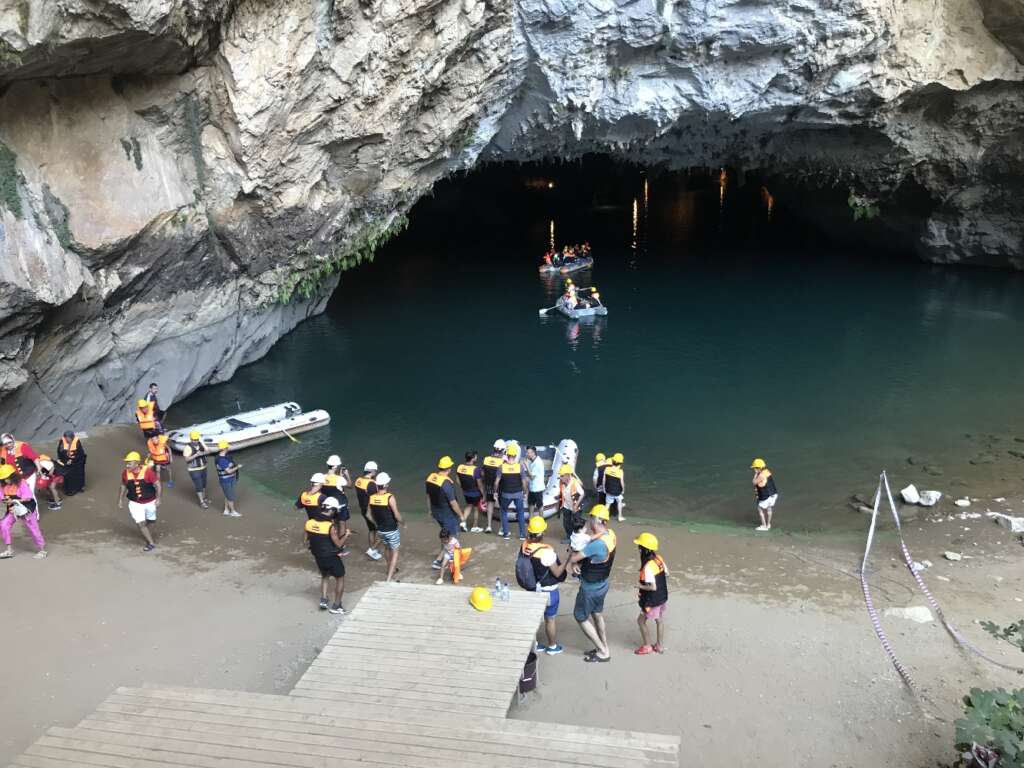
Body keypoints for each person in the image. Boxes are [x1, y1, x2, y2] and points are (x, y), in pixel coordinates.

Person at [569, 504, 616, 663]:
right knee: (597, 614)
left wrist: (574, 560)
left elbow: (575, 558)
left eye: (590, 518)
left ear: (595, 520)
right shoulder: (610, 535)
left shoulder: (596, 544)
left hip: (591, 587)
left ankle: (603, 652)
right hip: (603, 584)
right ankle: (603, 646)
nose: (588, 521)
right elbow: (591, 558)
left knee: (580, 616)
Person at [520, 516, 567, 654]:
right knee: (550, 619)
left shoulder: (524, 547)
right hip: (548, 591)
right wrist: (568, 560)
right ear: (542, 533)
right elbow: (558, 573)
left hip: (531, 588)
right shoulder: (547, 552)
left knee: (533, 618)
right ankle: (552, 646)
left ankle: (534, 644)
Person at [305, 496, 347, 614]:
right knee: (340, 578)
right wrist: (346, 535)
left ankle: (323, 600)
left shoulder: (309, 522)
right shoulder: (330, 526)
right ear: (332, 510)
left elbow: (305, 540)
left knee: (325, 576)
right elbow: (338, 544)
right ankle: (337, 605)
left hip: (318, 556)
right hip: (331, 557)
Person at [0, 465, 46, 559]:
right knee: (4, 525)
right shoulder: (2, 485)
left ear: (12, 476)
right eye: (3, 479)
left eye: (7, 478)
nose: (5, 481)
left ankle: (42, 550)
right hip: (13, 509)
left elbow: (28, 497)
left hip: (26, 509)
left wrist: (14, 501)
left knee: (33, 529)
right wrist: (5, 500)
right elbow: (2, 497)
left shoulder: (21, 483)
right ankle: (9, 550)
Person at [117, 451, 160, 551]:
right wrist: (120, 499)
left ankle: (146, 532)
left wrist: (158, 499)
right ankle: (151, 542)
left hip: (150, 502)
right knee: (141, 523)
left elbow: (158, 484)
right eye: (127, 463)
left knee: (151, 521)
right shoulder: (125, 473)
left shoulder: (148, 472)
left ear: (137, 463)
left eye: (129, 463)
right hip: (135, 503)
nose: (127, 465)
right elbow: (123, 486)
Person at [634, 532, 668, 655]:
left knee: (641, 621)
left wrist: (640, 586)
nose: (638, 549)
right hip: (662, 597)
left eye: (640, 547)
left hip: (652, 601)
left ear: (644, 550)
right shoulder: (659, 559)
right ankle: (659, 646)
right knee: (659, 620)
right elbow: (666, 574)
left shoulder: (648, 566)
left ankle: (647, 646)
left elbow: (652, 587)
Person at [368, 472, 402, 582]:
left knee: (387, 548)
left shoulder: (372, 497)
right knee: (395, 551)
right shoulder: (389, 497)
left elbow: (368, 514)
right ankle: (388, 578)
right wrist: (403, 522)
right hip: (391, 529)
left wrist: (377, 524)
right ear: (386, 485)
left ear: (377, 485)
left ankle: (389, 569)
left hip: (381, 530)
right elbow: (396, 515)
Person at [426, 456, 462, 559]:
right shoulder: (446, 483)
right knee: (452, 538)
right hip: (447, 515)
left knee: (445, 534)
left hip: (436, 513)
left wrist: (429, 510)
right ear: (449, 468)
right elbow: (453, 503)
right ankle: (441, 560)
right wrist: (461, 515)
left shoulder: (431, 478)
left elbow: (428, 496)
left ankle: (441, 558)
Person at [495, 443, 529, 541]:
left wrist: (495, 492)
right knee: (520, 513)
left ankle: (506, 534)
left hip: (505, 494)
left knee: (504, 512)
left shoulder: (501, 467)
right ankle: (522, 535)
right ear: (515, 455)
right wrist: (525, 493)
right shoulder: (520, 467)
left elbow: (496, 482)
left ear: (507, 454)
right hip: (518, 493)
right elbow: (524, 482)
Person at [353, 461, 383, 561]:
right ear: (372, 471)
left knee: (372, 530)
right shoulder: (371, 484)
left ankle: (372, 550)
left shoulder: (358, 480)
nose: (376, 473)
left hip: (363, 509)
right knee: (382, 531)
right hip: (371, 511)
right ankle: (372, 550)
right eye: (376, 471)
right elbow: (375, 499)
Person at [321, 457, 351, 556]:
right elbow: (350, 485)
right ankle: (340, 547)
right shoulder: (339, 479)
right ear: (334, 466)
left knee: (333, 524)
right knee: (342, 524)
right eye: (337, 465)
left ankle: (334, 542)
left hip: (329, 505)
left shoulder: (322, 477)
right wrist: (346, 475)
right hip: (341, 505)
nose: (338, 466)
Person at [456, 451, 486, 532]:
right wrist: (483, 495)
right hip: (475, 492)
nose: (476, 458)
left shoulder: (460, 467)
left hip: (466, 492)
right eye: (475, 457)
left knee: (469, 505)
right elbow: (479, 484)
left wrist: (462, 487)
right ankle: (474, 527)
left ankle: (462, 522)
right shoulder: (476, 470)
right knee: (476, 508)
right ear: (472, 459)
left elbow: (457, 479)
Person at [181, 431, 210, 508]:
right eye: (194, 440)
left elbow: (208, 451)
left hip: (203, 467)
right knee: (199, 485)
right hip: (194, 470)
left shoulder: (201, 444)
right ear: (191, 439)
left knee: (204, 484)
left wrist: (202, 453)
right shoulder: (187, 448)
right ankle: (201, 502)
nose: (196, 441)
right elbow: (187, 459)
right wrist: (196, 455)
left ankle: (204, 498)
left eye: (197, 439)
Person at [481, 440, 505, 534]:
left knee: (490, 505)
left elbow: (482, 473)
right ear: (503, 450)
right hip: (500, 488)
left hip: (488, 487)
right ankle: (502, 528)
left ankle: (489, 526)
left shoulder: (486, 459)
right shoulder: (502, 461)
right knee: (502, 507)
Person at [215, 441, 242, 517]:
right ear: (224, 448)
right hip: (226, 480)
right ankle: (233, 512)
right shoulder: (221, 460)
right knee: (230, 497)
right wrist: (237, 467)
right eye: (227, 447)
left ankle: (226, 510)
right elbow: (229, 471)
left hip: (230, 479)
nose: (228, 448)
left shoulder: (223, 457)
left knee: (227, 495)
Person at [557, 464, 584, 541]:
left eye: (562, 476)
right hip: (566, 505)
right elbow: (563, 491)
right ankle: (569, 536)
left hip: (575, 507)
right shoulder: (562, 482)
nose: (560, 477)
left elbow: (582, 494)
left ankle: (577, 538)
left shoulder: (574, 483)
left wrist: (576, 506)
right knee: (566, 522)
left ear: (567, 475)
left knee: (576, 522)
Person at [751, 457, 778, 531]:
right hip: (773, 494)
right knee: (769, 509)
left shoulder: (760, 475)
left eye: (755, 468)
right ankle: (768, 524)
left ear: (759, 468)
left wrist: (756, 474)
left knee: (759, 509)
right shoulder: (767, 472)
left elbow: (753, 482)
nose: (754, 469)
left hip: (766, 496)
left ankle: (764, 526)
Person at [56, 431, 86, 495]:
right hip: (66, 461)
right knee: (68, 475)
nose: (67, 440)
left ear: (72, 438)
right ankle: (69, 490)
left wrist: (72, 460)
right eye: (66, 438)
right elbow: (59, 451)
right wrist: (60, 459)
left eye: (68, 438)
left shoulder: (77, 442)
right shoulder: (62, 441)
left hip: (77, 462)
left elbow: (80, 453)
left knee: (79, 475)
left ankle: (80, 487)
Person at [604, 452, 626, 522]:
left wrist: (604, 488)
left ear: (612, 461)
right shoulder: (620, 471)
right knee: (619, 502)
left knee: (607, 504)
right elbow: (622, 483)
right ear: (620, 463)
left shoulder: (607, 469)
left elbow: (604, 480)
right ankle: (619, 517)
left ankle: (603, 517)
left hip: (609, 491)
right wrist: (623, 490)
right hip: (617, 492)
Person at [526, 446, 546, 516]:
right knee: (531, 504)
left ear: (533, 453)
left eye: (529, 453)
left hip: (538, 488)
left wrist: (526, 465)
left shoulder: (537, 462)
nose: (527, 454)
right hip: (532, 488)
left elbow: (532, 477)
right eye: (527, 452)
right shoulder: (532, 461)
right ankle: (531, 519)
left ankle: (541, 519)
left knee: (540, 505)